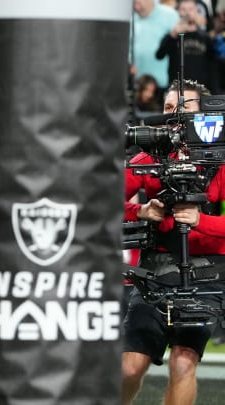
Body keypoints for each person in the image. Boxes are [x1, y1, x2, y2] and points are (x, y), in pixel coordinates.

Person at [122, 78, 224, 405]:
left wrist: (200, 220)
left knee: (183, 361)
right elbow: (98, 199)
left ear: (206, 114)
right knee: (128, 367)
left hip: (206, 276)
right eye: (168, 108)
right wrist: (140, 210)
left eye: (185, 107)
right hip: (155, 272)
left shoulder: (221, 161)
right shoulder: (149, 156)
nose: (175, 115)